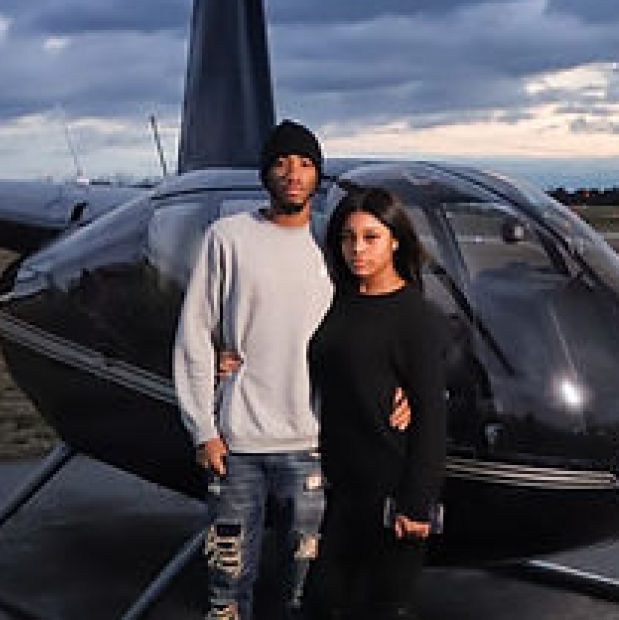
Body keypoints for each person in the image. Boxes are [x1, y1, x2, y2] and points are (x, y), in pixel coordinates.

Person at [172, 120, 333, 620]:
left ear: (317, 176)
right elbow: (195, 331)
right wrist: (203, 429)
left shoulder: (333, 245)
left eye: (305, 164)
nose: (293, 174)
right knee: (227, 585)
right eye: (282, 163)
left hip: (311, 446)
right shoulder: (229, 238)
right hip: (237, 446)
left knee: (303, 588)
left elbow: (367, 329)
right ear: (265, 173)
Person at [304, 186, 448, 620]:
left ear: (396, 241)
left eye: (371, 237)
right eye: (348, 238)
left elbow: (432, 417)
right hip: (344, 490)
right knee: (322, 601)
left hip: (392, 493)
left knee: (382, 608)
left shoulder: (415, 316)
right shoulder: (342, 302)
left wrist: (417, 502)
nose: (357, 249)